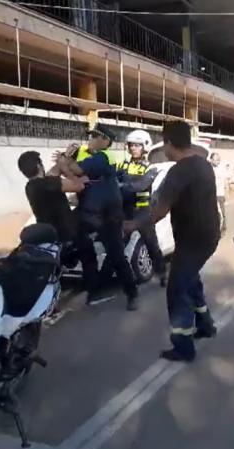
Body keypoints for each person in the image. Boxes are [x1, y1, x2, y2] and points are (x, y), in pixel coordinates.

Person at [125, 121, 219, 362]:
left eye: (163, 143)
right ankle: (206, 325)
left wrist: (133, 224)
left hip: (192, 241)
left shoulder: (179, 171)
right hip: (207, 237)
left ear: (168, 142)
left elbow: (159, 211)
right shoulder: (203, 164)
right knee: (190, 280)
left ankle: (184, 347)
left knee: (177, 290)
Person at [56, 125, 139, 310]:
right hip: (90, 213)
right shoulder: (91, 158)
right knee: (83, 247)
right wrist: (66, 160)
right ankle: (92, 288)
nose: (90, 139)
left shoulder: (102, 157)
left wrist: (65, 162)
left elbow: (75, 172)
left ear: (104, 140)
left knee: (117, 256)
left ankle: (132, 293)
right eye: (90, 136)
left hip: (108, 216)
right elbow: (75, 178)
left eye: (94, 136)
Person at [18, 151, 96, 285]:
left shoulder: (31, 186)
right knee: (88, 254)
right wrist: (66, 168)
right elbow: (79, 186)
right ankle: (93, 289)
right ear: (39, 166)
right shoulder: (50, 183)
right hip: (67, 232)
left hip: (50, 233)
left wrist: (62, 159)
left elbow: (51, 174)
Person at [104, 129, 166, 285]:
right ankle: (102, 281)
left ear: (145, 146)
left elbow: (140, 186)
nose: (133, 148)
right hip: (125, 212)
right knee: (116, 247)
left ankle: (162, 273)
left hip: (143, 213)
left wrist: (119, 185)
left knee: (152, 246)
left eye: (137, 145)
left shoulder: (151, 167)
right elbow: (109, 177)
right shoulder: (123, 165)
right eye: (131, 145)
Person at [209, 153, 229, 236]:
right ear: (211, 160)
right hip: (210, 195)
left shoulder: (221, 169)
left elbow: (225, 181)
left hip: (220, 195)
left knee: (222, 213)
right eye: (216, 160)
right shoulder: (207, 169)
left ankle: (222, 230)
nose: (218, 161)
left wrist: (226, 193)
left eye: (219, 160)